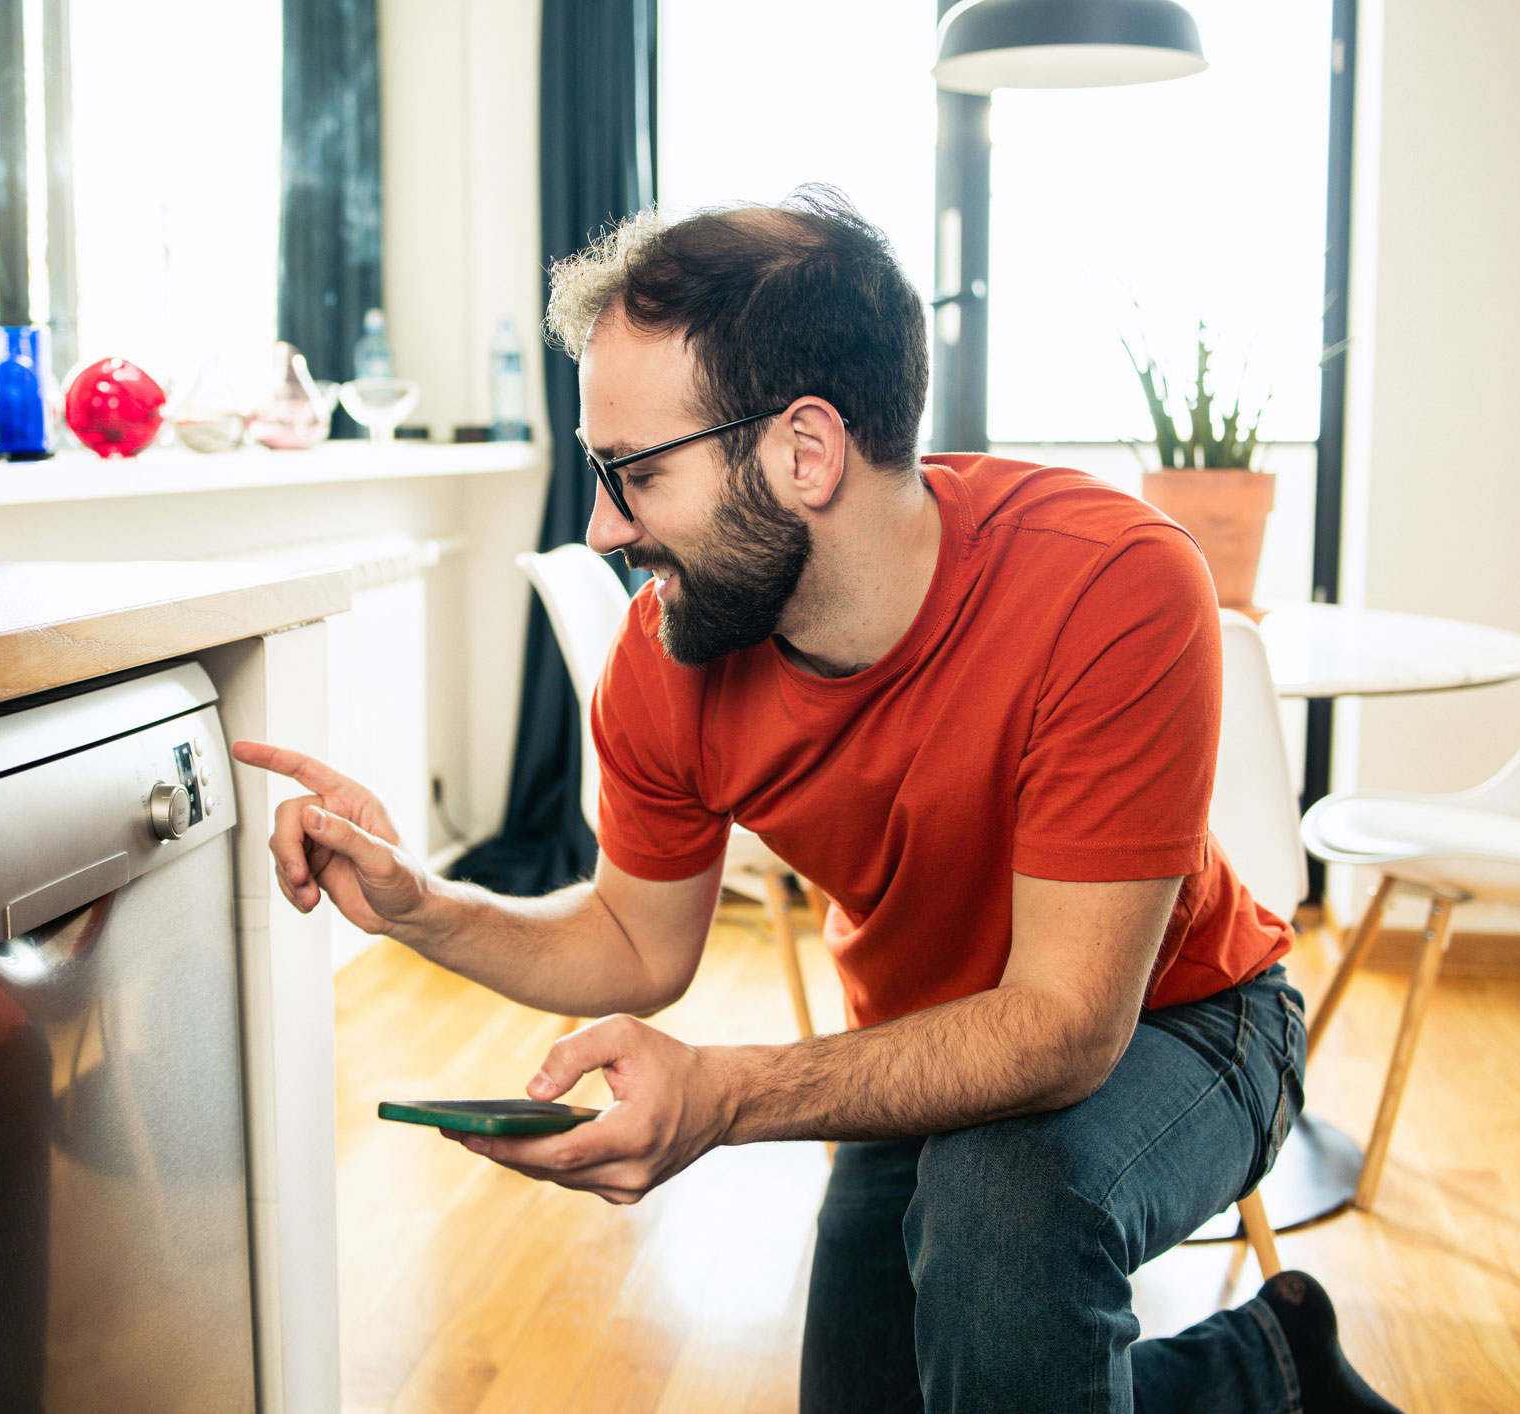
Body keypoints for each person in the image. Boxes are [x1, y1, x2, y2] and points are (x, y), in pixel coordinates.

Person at [232, 188, 1399, 1414]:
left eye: (631, 473)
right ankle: (1258, 1367)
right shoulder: (668, 658)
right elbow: (634, 942)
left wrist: (726, 1093)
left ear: (804, 450)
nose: (599, 525)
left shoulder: (1109, 581)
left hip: (1189, 1022)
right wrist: (421, 904)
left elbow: (1062, 1026)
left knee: (1000, 1208)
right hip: (918, 1053)